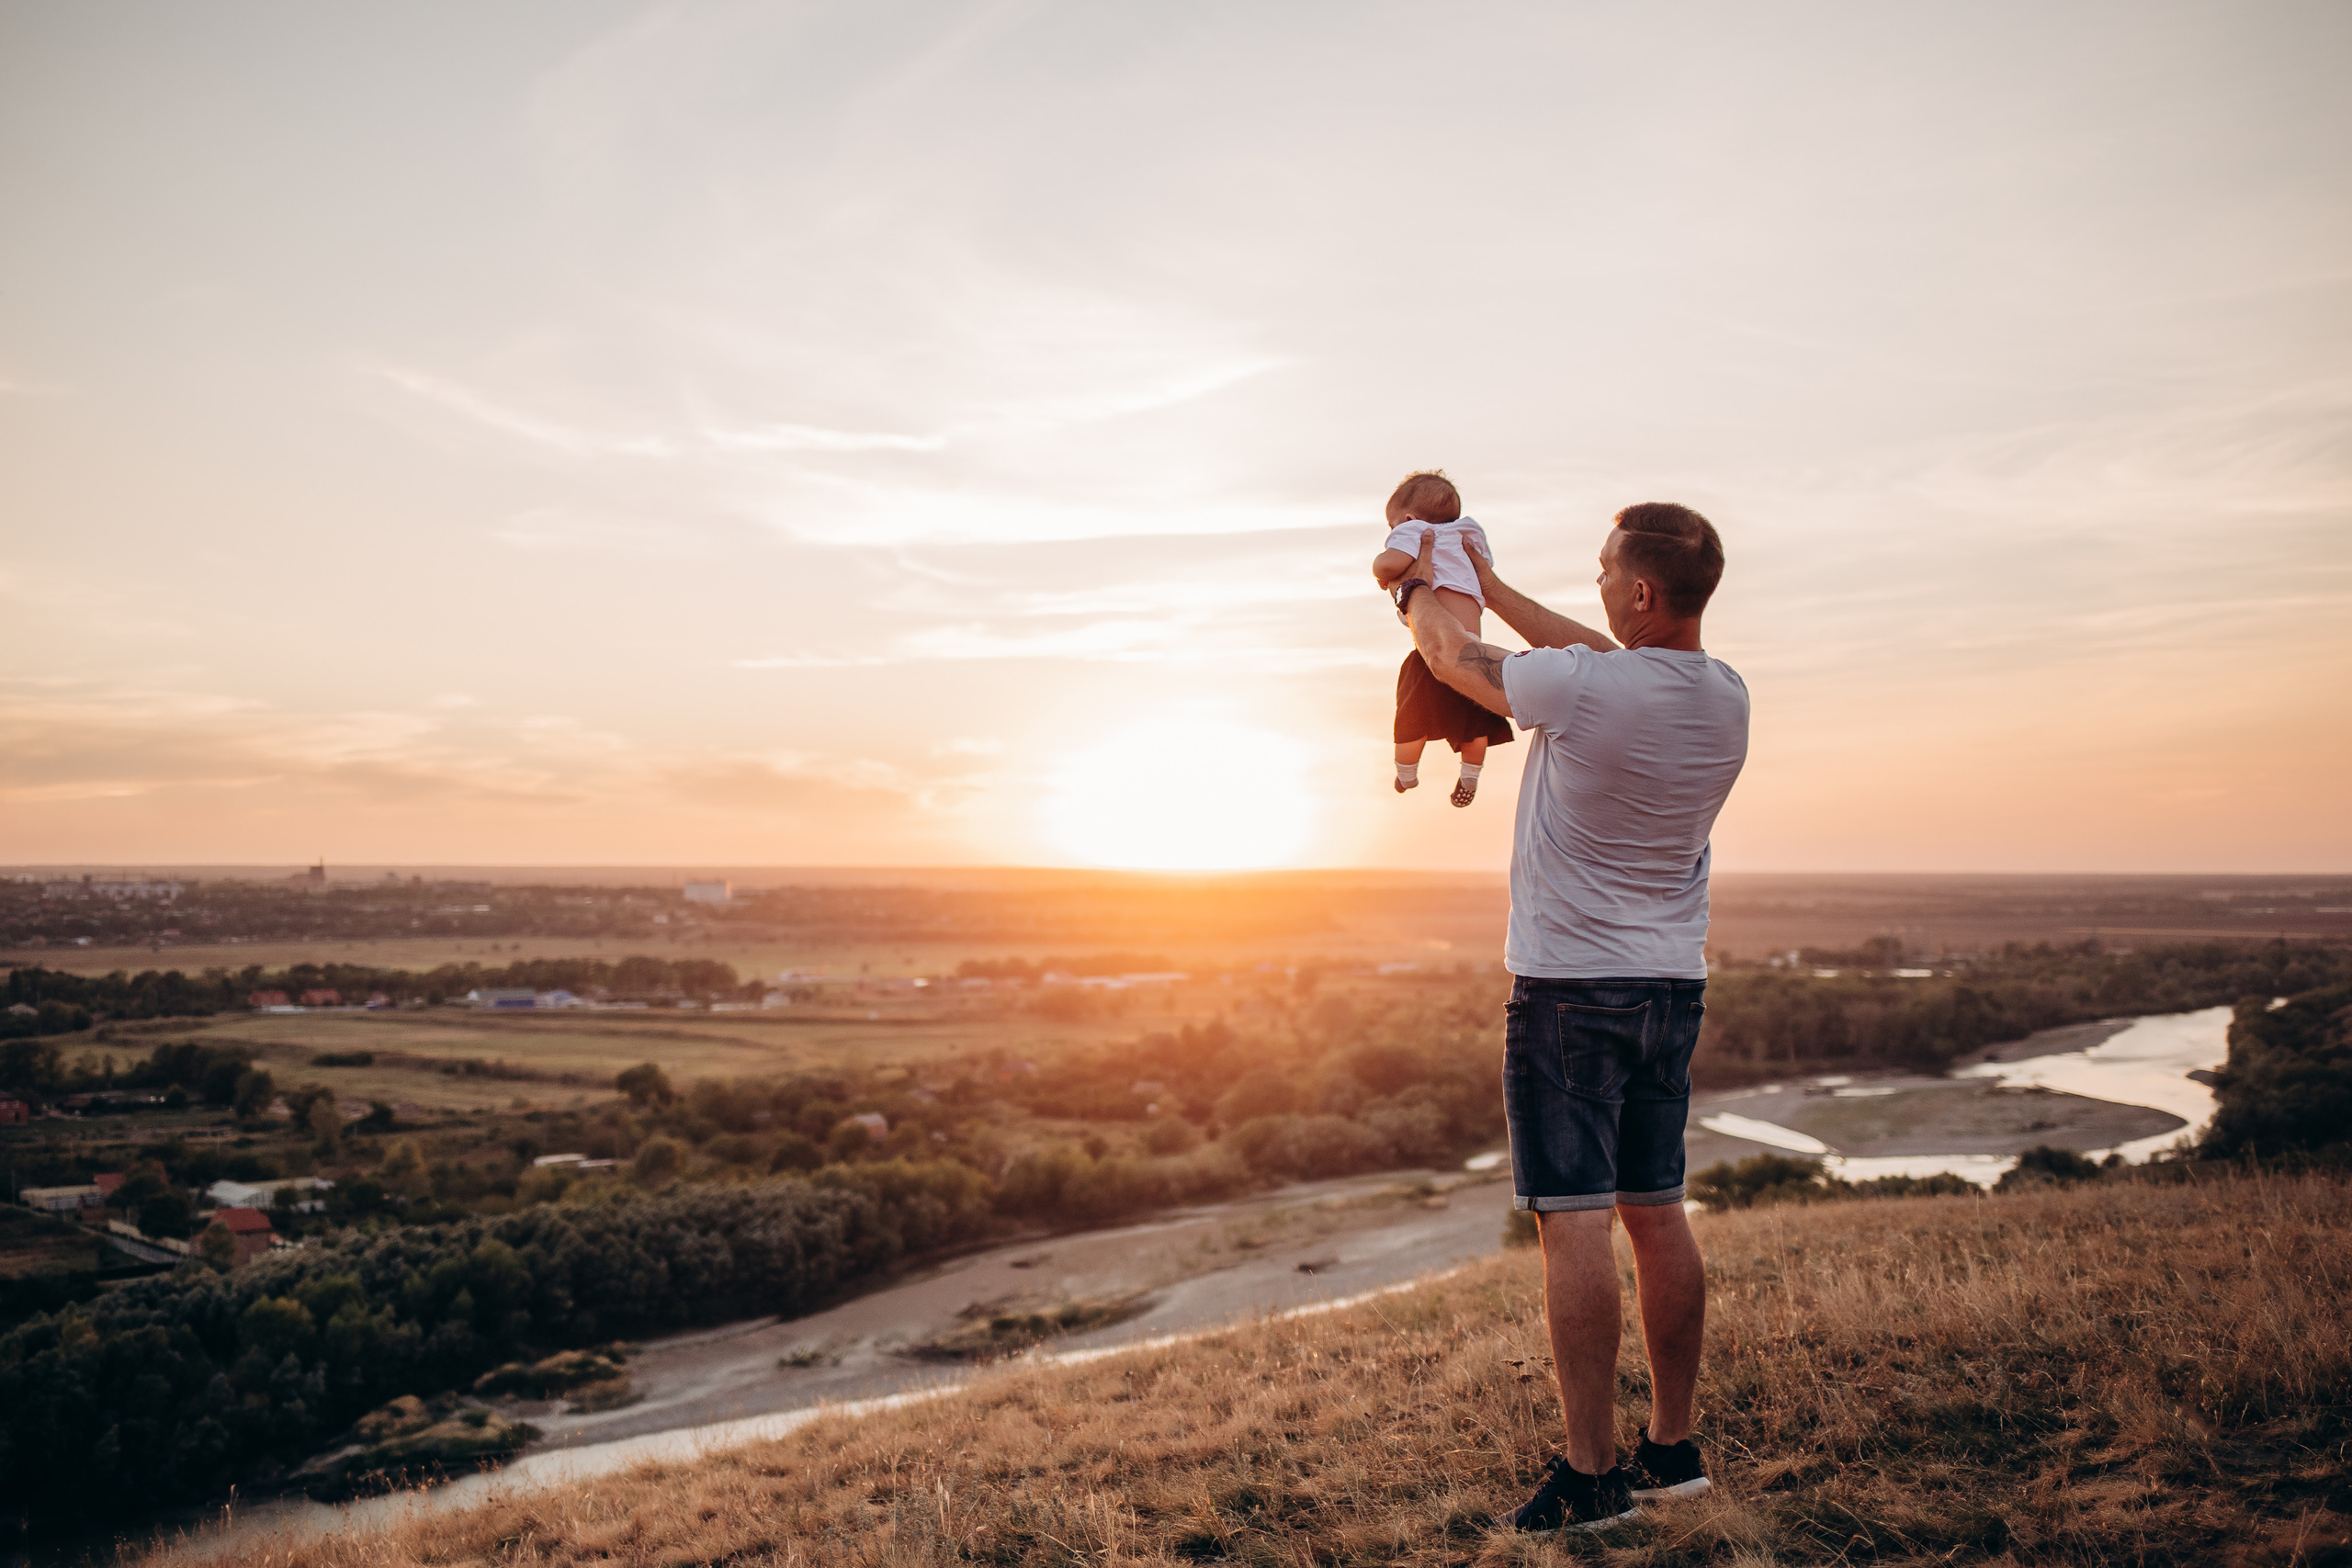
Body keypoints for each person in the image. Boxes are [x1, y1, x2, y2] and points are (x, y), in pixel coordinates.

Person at [1386, 502, 1749, 1533]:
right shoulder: (1724, 693)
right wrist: (1493, 583)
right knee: (1658, 1208)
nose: (1592, 585)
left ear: (1639, 590)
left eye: (1601, 571)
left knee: (1574, 1220)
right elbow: (1598, 656)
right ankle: (1672, 1452)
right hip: (1670, 988)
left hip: (1569, 993)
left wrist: (1416, 579)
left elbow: (1450, 658)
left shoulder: (1588, 689)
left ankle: (1592, 1477)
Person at [1370, 470, 1513, 806]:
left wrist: (1380, 569)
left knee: (1412, 717)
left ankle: (1406, 772)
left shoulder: (1415, 531)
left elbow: (1391, 564)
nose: (1393, 533)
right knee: (1476, 721)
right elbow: (1485, 565)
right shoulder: (1468, 533)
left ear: (1407, 519)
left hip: (1434, 647)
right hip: (1474, 651)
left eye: (1392, 526)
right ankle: (1471, 775)